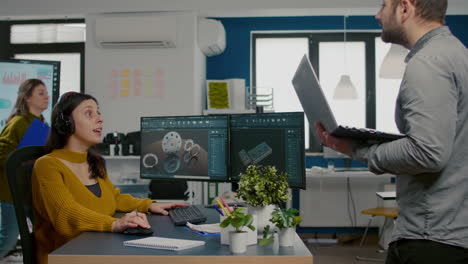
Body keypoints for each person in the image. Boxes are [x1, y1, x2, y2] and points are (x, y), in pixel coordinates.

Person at [315, 0, 468, 263]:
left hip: (430, 239)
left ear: (405, 8)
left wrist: (353, 147)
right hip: (452, 232)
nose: (377, 14)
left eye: (384, 5)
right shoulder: (458, 54)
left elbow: (427, 152)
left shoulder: (428, 63)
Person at [31, 92, 187, 264]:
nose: (99, 119)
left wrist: (150, 205)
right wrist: (114, 224)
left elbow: (114, 198)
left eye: (98, 112)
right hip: (66, 256)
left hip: (98, 249)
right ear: (65, 123)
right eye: (89, 113)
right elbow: (66, 214)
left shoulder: (94, 162)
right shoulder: (47, 165)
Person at [0, 79, 50, 262]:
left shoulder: (43, 126)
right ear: (27, 97)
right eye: (41, 93)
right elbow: (2, 156)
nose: (47, 96)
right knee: (8, 241)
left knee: (42, 236)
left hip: (30, 193)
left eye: (46, 93)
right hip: (12, 193)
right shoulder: (18, 123)